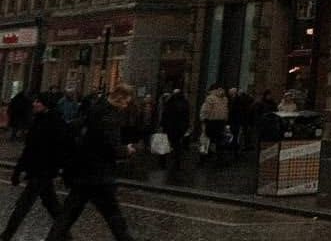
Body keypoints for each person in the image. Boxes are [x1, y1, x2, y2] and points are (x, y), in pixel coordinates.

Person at [45, 85, 137, 241]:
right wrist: (126, 151)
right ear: (120, 98)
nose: (126, 105)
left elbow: (76, 127)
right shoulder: (110, 116)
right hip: (99, 174)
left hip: (83, 171)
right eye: (126, 102)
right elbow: (110, 146)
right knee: (115, 218)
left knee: (68, 214)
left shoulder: (95, 108)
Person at [3, 94, 63, 241]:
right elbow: (28, 149)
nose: (35, 104)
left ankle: (7, 235)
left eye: (38, 102)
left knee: (23, 205)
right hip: (40, 171)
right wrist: (18, 170)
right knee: (52, 205)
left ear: (45, 105)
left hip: (42, 171)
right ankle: (65, 233)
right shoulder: (38, 121)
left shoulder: (53, 123)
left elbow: (58, 149)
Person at [158, 88, 191, 174]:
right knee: (177, 146)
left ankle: (162, 163)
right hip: (179, 129)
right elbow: (187, 117)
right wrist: (185, 127)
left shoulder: (170, 103)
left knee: (164, 145)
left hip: (169, 128)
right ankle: (177, 163)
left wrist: (162, 125)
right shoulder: (185, 104)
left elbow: (165, 115)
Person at [198, 84, 228, 164]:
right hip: (220, 122)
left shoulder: (210, 98)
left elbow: (205, 111)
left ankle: (203, 158)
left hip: (210, 121)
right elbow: (225, 112)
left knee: (205, 140)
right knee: (219, 141)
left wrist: (204, 119)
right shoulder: (224, 99)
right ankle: (219, 159)